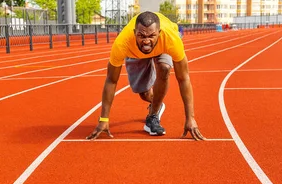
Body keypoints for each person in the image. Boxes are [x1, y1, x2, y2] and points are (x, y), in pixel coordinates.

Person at [87, 11, 204, 141]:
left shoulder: (171, 39)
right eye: (141, 36)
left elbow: (183, 78)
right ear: (134, 33)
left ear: (159, 33)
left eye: (151, 36)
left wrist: (190, 118)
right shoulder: (122, 43)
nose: (146, 41)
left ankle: (153, 116)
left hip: (162, 48)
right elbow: (111, 80)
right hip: (136, 53)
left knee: (164, 68)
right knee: (144, 94)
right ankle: (156, 103)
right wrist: (103, 119)